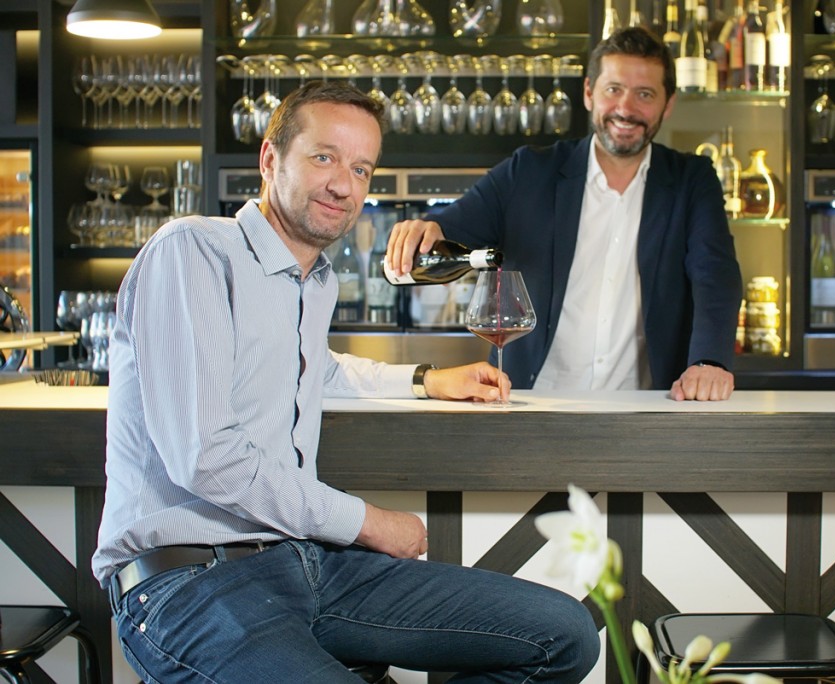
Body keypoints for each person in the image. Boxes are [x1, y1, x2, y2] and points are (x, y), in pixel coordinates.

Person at [92, 80, 600, 683]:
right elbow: (205, 457)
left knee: (565, 636)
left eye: (362, 168)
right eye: (324, 157)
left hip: (303, 563)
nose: (344, 184)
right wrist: (369, 522)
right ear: (270, 158)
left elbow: (322, 369)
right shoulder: (196, 252)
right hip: (188, 582)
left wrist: (427, 380)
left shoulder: (315, 281)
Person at [387, 27, 743, 402]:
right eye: (613, 89)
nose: (626, 108)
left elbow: (715, 275)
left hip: (646, 408)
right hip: (530, 402)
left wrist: (709, 361)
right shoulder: (528, 171)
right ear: (589, 93)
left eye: (645, 94)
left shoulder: (692, 180)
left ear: (667, 105)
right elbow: (448, 229)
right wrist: (424, 229)